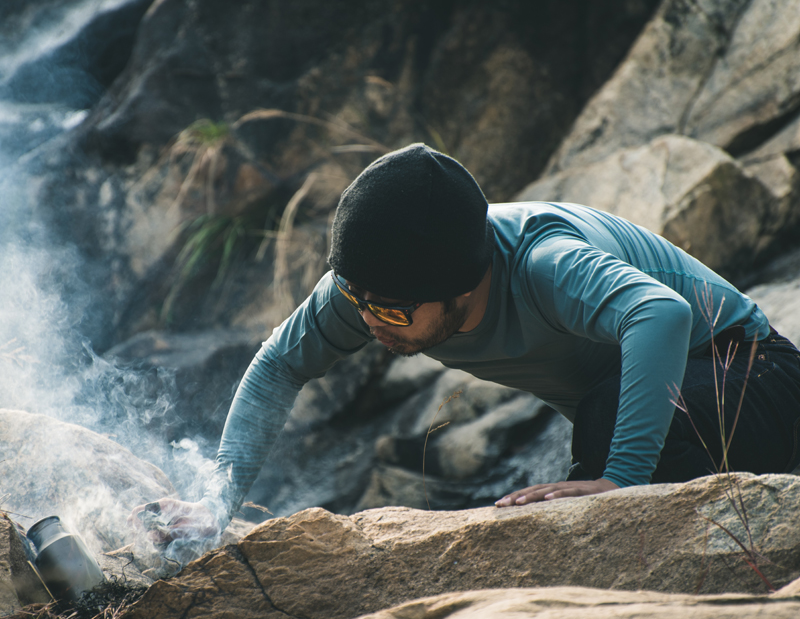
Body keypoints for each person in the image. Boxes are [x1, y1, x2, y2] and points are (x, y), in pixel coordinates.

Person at [130, 143, 800, 547]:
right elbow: (279, 366)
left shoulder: (544, 261)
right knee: (592, 448)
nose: (370, 323)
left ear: (458, 288)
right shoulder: (377, 286)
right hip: (659, 407)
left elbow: (660, 313)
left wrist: (621, 482)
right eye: (358, 301)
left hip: (758, 376)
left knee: (599, 442)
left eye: (390, 309)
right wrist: (217, 501)